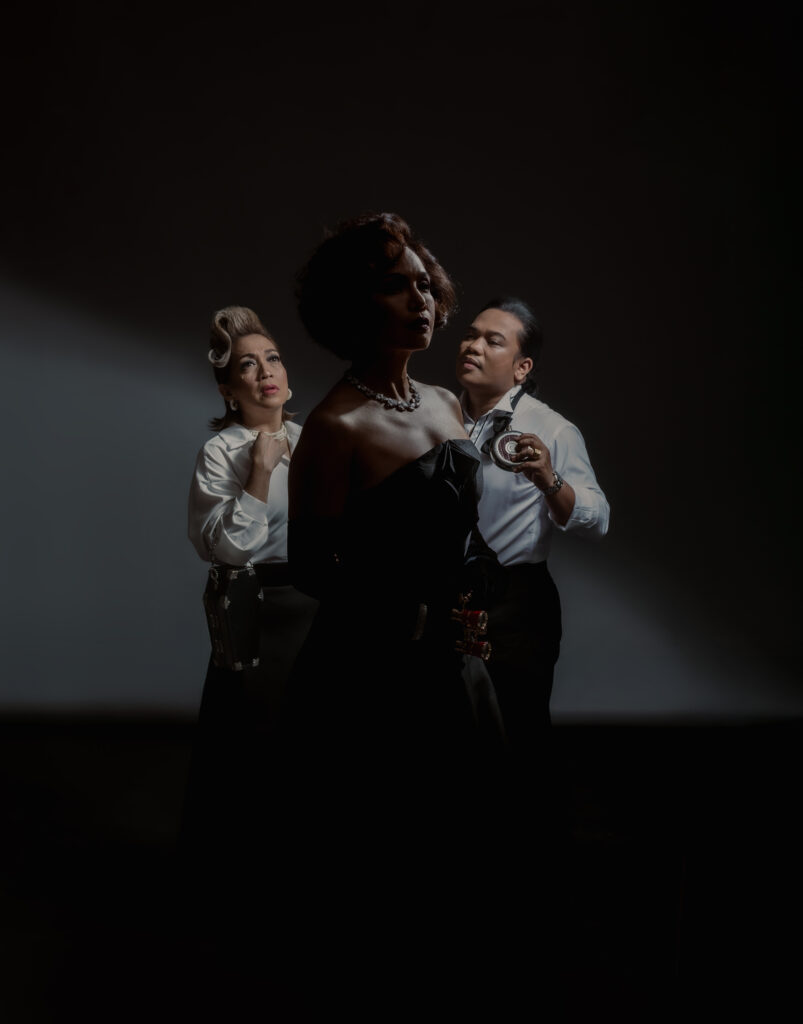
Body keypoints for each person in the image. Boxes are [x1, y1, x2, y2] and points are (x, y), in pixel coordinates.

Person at [280, 214, 509, 1013]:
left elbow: (461, 533)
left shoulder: (446, 402)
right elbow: (310, 566)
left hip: (455, 661)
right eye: (393, 286)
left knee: (464, 848)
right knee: (381, 861)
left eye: (423, 284)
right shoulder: (335, 425)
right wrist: (406, 616)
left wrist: (469, 607)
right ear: (353, 305)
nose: (420, 301)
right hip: (371, 674)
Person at [456, 295, 610, 975]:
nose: (472, 345)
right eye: (470, 334)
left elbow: (597, 518)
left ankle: (531, 908)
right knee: (443, 742)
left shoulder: (551, 429)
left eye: (492, 340)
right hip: (442, 596)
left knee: (517, 747)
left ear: (521, 367)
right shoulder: (432, 414)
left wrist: (549, 480)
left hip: (515, 601)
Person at [180, 305, 317, 918]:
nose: (265, 372)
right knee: (250, 749)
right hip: (255, 607)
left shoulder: (316, 441)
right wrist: (259, 473)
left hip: (319, 605)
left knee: (314, 746)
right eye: (247, 366)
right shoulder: (220, 451)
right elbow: (229, 550)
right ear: (227, 391)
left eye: (273, 358)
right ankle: (239, 891)